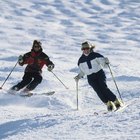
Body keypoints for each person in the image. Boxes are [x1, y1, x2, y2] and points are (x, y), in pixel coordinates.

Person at [74, 41, 122, 111]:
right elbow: (83, 71)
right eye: (84, 49)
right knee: (98, 91)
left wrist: (106, 62)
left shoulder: (96, 55)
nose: (85, 50)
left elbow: (105, 65)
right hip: (90, 77)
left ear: (90, 48)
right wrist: (78, 76)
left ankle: (116, 101)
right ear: (82, 50)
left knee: (103, 87)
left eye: (87, 48)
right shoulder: (81, 60)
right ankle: (108, 103)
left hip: (99, 74)